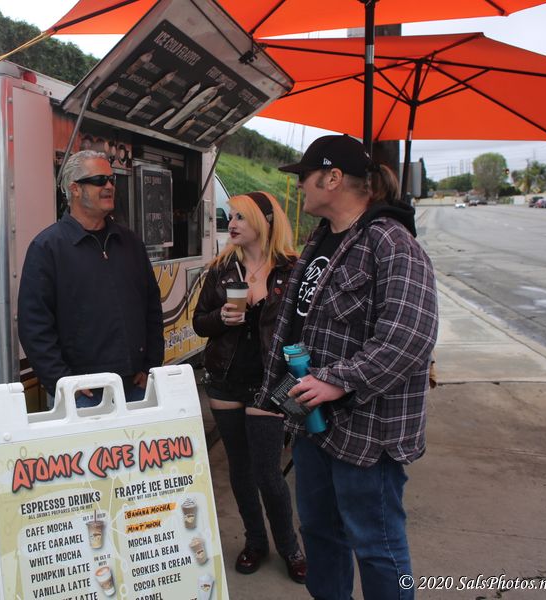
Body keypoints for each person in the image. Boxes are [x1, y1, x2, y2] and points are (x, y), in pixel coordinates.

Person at [263, 135, 439, 600]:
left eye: (304, 176)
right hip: (312, 424)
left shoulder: (392, 242)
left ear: (333, 178)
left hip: (368, 434)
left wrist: (338, 381)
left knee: (377, 546)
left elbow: (409, 336)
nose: (299, 186)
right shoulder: (321, 238)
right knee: (319, 533)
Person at [192, 191, 307, 583]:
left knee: (267, 472)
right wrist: (221, 318)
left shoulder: (293, 270)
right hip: (225, 381)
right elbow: (199, 323)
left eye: (241, 216)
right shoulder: (222, 268)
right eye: (231, 216)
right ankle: (255, 541)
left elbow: (305, 328)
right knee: (239, 471)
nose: (232, 223)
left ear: (264, 221)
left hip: (271, 384)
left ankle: (290, 547)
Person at [18, 150, 164, 407]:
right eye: (99, 180)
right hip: (81, 394)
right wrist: (62, 381)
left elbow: (152, 307)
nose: (109, 186)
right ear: (74, 189)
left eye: (111, 179)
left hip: (135, 386)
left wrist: (150, 365)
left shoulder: (130, 242)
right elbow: (34, 325)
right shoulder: (47, 247)